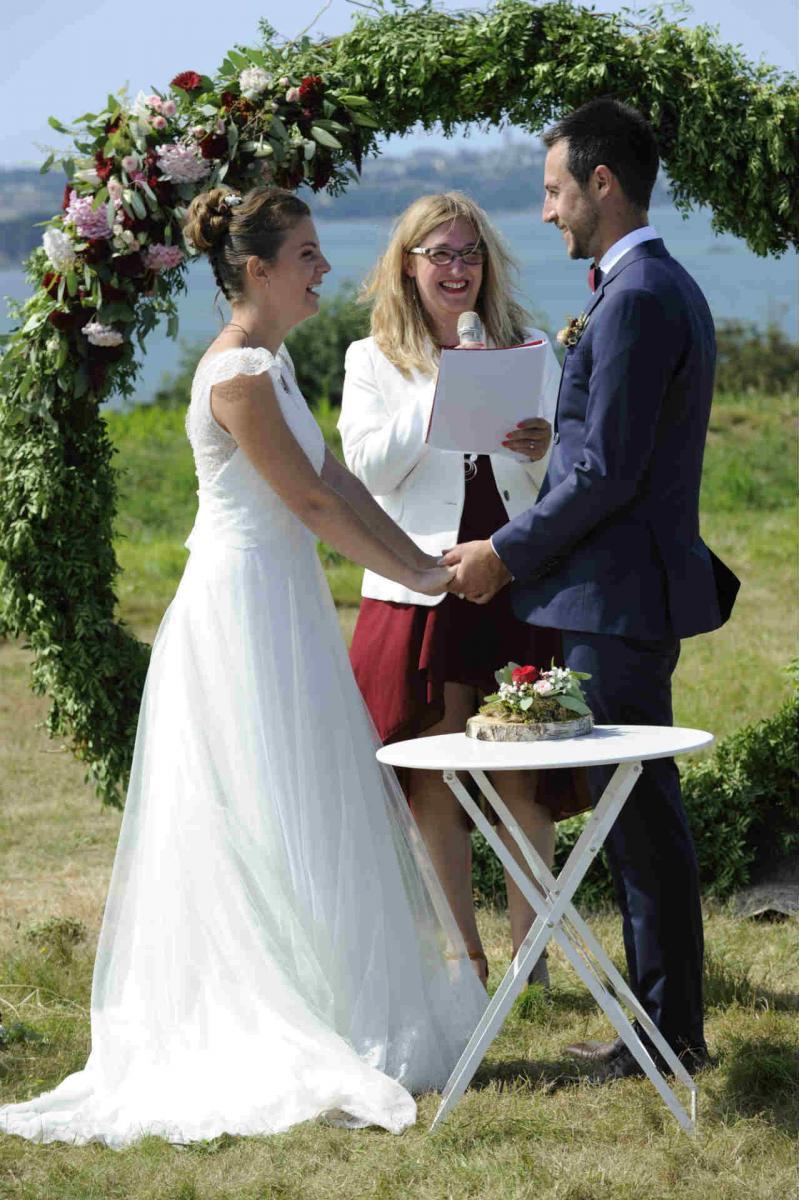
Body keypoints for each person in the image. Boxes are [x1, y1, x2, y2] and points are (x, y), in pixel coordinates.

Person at [0, 185, 488, 1148]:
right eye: (306, 254)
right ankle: (270, 1001)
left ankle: (323, 983)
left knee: (304, 792)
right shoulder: (236, 374)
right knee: (261, 799)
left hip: (285, 602)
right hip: (241, 607)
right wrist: (422, 577)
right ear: (257, 270)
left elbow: (342, 480)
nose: (322, 269)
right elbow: (308, 502)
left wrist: (425, 570)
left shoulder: (271, 363)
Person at [444, 100, 740, 1078]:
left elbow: (609, 474)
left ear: (601, 185)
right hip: (618, 593)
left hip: (615, 599)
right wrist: (551, 443)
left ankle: (668, 1035)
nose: (546, 212)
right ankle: (665, 1028)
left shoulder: (642, 295)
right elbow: (608, 450)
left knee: (638, 813)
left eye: (554, 190)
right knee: (635, 811)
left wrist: (503, 552)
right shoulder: (646, 287)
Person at [338, 192, 590, 990]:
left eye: (469, 254)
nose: (457, 269)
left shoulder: (526, 347)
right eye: (439, 254)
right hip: (420, 583)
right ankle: (464, 959)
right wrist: (443, 384)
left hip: (510, 575)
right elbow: (370, 471)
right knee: (432, 775)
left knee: (522, 768)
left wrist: (537, 440)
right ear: (407, 266)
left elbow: (550, 474)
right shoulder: (371, 359)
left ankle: (531, 956)